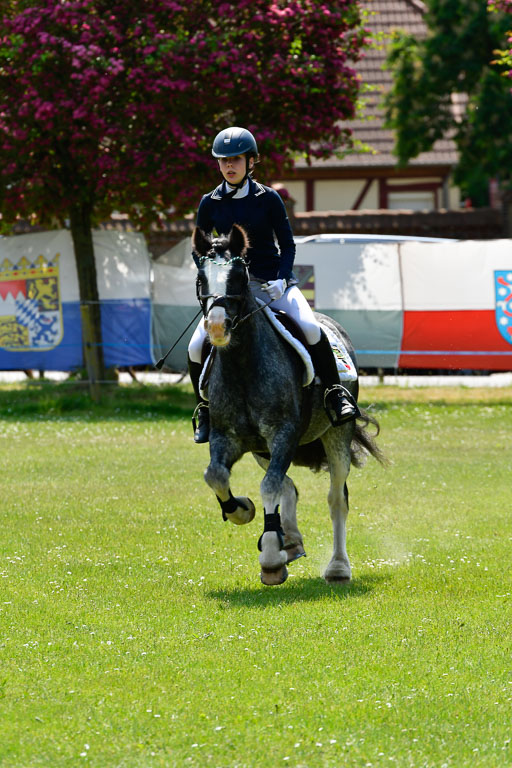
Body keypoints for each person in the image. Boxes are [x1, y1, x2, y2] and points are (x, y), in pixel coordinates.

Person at [188, 126, 359, 443]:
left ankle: (336, 395)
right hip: (229, 293)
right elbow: (199, 250)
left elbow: (288, 245)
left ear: (251, 161)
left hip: (272, 284)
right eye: (223, 160)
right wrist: (211, 281)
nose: (229, 166)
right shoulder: (209, 202)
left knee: (310, 328)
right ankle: (205, 411)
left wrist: (282, 278)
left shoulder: (268, 199)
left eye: (236, 159)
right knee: (195, 345)